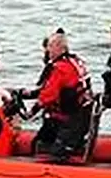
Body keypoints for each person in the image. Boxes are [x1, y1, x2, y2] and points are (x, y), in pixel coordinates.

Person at [18, 31, 93, 162]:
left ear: (61, 48)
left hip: (71, 121)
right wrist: (26, 94)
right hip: (80, 117)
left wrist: (30, 113)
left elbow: (48, 97)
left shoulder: (59, 68)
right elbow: (50, 89)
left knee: (56, 156)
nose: (48, 50)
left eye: (51, 46)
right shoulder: (75, 61)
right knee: (40, 142)